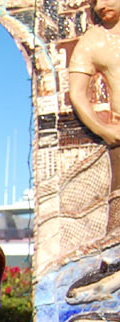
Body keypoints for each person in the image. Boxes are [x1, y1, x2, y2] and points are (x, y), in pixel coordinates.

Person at [69, 0, 120, 190]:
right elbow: (77, 93)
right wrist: (104, 130)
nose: (101, 6)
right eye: (96, 1)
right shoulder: (94, 40)